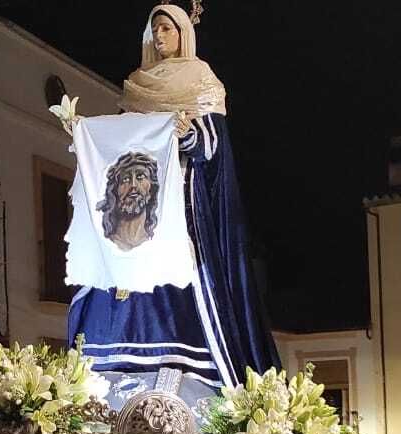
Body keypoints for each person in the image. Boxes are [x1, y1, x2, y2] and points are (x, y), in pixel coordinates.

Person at [64, 5, 280, 411]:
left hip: (181, 201)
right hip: (141, 206)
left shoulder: (201, 81)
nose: (160, 37)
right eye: (155, 29)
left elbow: (215, 148)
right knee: (120, 275)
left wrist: (188, 136)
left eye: (167, 29)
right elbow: (124, 144)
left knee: (184, 281)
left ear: (183, 33)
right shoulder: (136, 86)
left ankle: (187, 359)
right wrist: (83, 137)